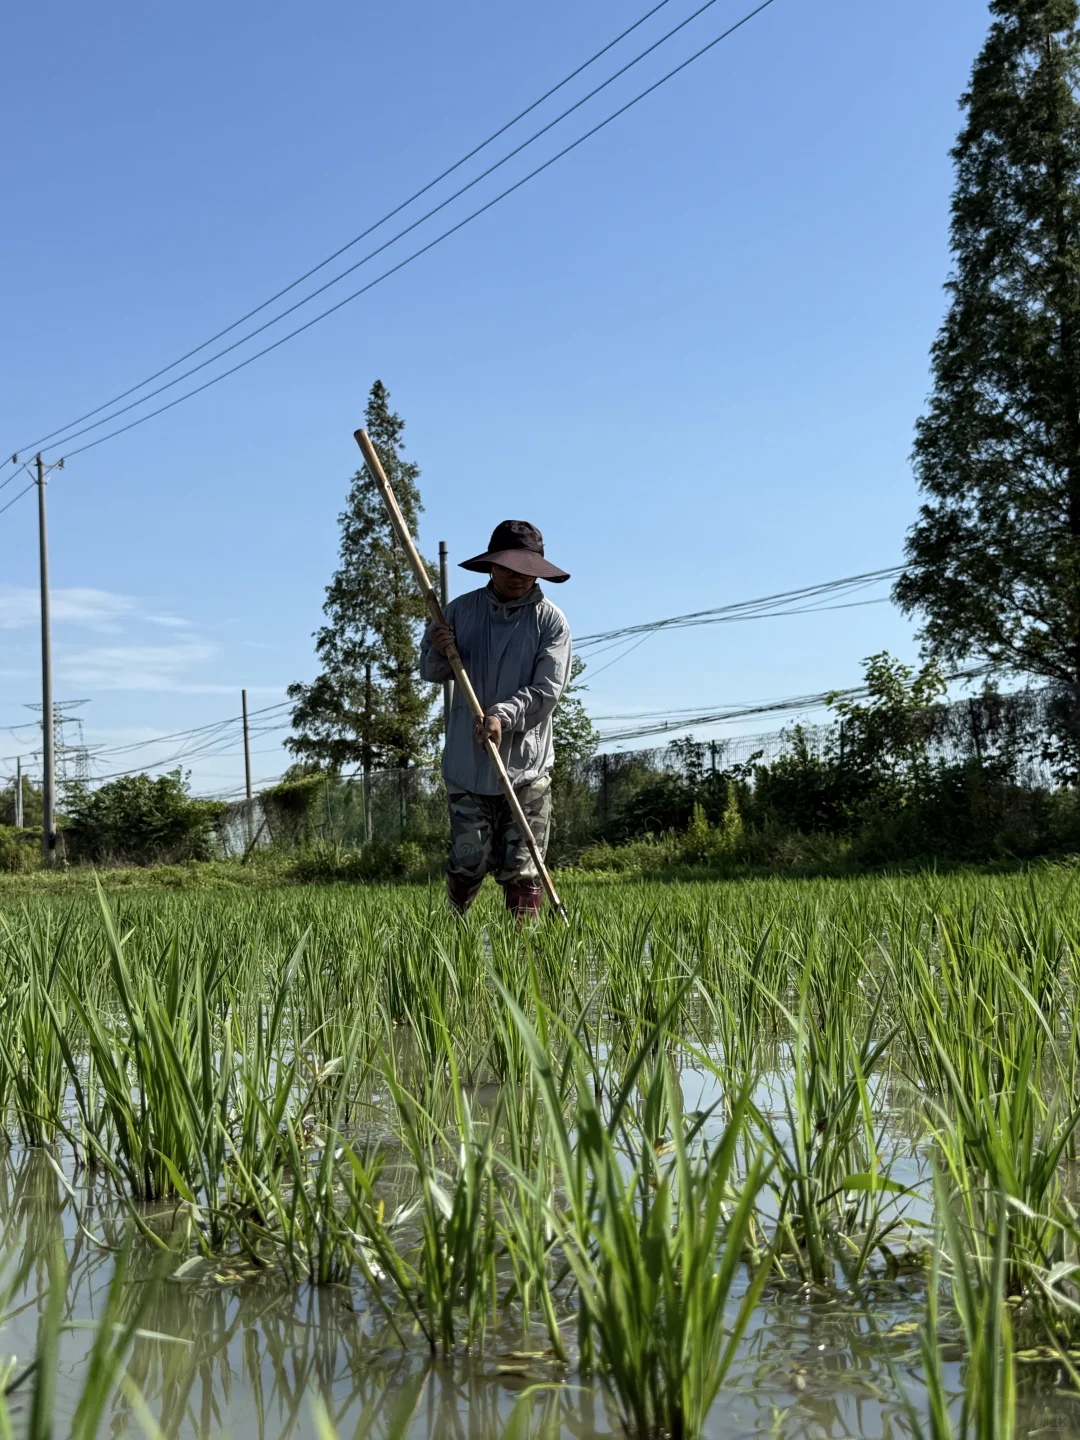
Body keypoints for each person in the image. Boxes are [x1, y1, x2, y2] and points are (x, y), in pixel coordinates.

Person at [420, 520, 572, 920]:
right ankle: (453, 932)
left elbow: (547, 691)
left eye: (527, 569)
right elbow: (433, 672)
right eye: (509, 568)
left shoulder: (550, 621)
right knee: (469, 859)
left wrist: (502, 715)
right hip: (468, 766)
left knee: (524, 866)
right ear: (492, 566)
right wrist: (439, 648)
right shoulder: (458, 612)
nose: (518, 577)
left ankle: (526, 959)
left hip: (526, 766)